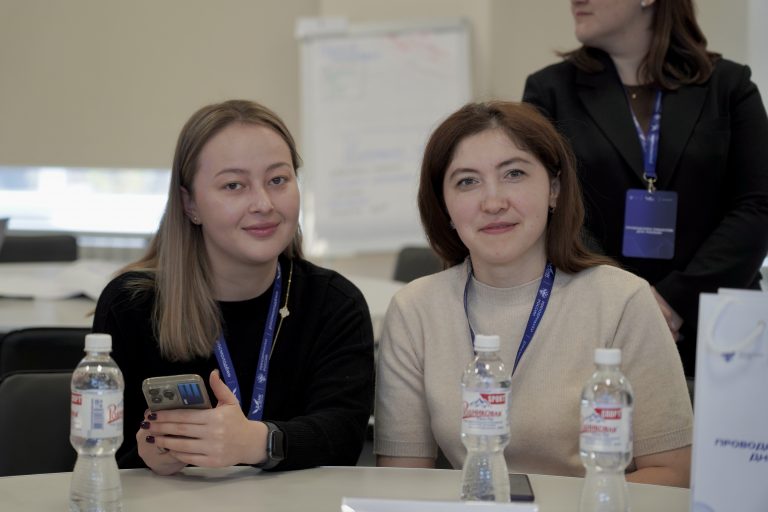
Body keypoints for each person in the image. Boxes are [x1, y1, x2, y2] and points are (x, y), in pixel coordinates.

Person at [375, 101, 692, 486]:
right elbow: (402, 484)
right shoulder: (415, 309)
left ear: (554, 189)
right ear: (444, 206)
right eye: (467, 181)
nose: (493, 202)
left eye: (514, 174)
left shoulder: (622, 300)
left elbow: (674, 473)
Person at [93, 99, 374, 474]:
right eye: (233, 185)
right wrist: (147, 456)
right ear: (190, 204)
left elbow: (343, 438)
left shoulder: (334, 304)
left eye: (278, 180)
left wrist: (256, 442)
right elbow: (99, 449)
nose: (263, 203)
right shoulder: (132, 305)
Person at [522, 0, 768, 376]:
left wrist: (673, 302)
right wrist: (628, 302)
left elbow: (758, 206)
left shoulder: (729, 86)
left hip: (718, 327)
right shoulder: (549, 90)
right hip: (598, 321)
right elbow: (544, 206)